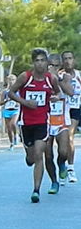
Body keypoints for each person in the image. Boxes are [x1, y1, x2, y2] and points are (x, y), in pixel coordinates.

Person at [8, 48, 72, 202]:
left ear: (47, 62)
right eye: (37, 60)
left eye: (43, 60)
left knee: (39, 155)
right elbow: (10, 93)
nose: (40, 63)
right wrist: (25, 102)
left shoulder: (51, 79)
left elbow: (58, 93)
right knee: (31, 157)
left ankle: (36, 190)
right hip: (26, 122)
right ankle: (28, 156)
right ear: (33, 62)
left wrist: (56, 97)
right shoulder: (25, 77)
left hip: (43, 122)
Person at [45, 55, 71, 193]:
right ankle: (54, 182)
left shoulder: (65, 77)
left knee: (63, 151)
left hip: (62, 121)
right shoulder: (42, 78)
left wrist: (57, 80)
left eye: (56, 66)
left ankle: (62, 163)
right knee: (48, 155)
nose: (53, 68)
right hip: (46, 121)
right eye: (51, 65)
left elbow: (70, 92)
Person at [61, 51, 81, 183]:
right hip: (62, 109)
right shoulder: (59, 75)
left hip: (75, 108)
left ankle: (71, 168)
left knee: (70, 135)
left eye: (70, 58)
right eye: (65, 59)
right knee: (63, 141)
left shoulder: (79, 75)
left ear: (73, 60)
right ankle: (62, 165)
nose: (68, 61)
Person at [0, 74, 21, 150]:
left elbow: (21, 100)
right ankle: (11, 143)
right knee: (8, 128)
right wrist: (7, 100)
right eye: (10, 80)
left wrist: (17, 101)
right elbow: (0, 102)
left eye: (13, 80)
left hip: (15, 109)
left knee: (13, 123)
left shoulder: (18, 91)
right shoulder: (5, 91)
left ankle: (16, 135)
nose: (11, 82)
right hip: (7, 110)